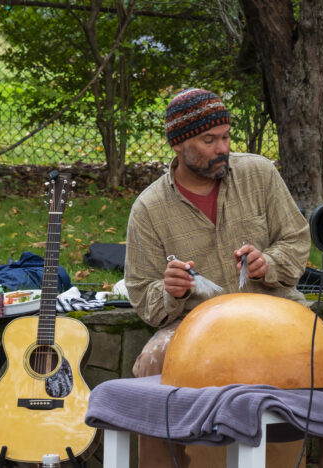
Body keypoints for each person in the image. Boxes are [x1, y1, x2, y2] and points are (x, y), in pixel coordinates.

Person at [125, 88, 312, 466]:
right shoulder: (148, 209)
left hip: (273, 313)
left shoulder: (259, 174)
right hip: (195, 326)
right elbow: (143, 295)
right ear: (178, 144)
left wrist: (268, 263)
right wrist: (170, 290)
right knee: (153, 363)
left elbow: (296, 240)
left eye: (226, 136)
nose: (221, 148)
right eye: (209, 140)